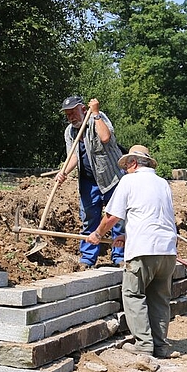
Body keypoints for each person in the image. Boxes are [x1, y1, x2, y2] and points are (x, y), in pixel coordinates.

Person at [86, 145, 178, 358]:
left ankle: (144, 345)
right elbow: (156, 216)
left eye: (126, 165)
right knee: (160, 298)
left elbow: (112, 217)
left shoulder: (129, 181)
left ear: (134, 163)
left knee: (133, 294)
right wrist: (128, 237)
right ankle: (161, 346)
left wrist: (97, 235)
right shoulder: (163, 184)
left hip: (143, 250)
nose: (125, 170)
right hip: (167, 250)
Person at [56, 96, 126, 268]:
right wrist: (63, 171)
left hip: (112, 178)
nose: (71, 117)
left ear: (83, 109)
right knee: (89, 218)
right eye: (68, 115)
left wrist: (95, 113)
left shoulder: (98, 118)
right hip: (89, 182)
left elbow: (105, 138)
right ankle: (88, 259)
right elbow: (73, 156)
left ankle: (120, 257)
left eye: (73, 112)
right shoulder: (70, 132)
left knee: (117, 218)